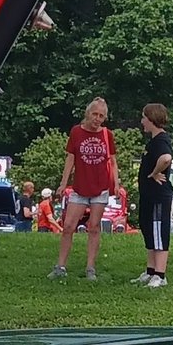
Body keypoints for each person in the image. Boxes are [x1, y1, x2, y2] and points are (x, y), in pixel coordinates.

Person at [51, 97, 118, 280]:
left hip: (100, 187)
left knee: (94, 226)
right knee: (68, 226)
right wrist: (63, 183)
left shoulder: (107, 135)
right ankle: (60, 266)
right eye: (95, 114)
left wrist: (116, 183)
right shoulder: (76, 132)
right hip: (80, 187)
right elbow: (70, 158)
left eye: (101, 116)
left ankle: (90, 268)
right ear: (88, 114)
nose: (97, 119)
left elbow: (112, 161)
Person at [133, 103, 173, 288]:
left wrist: (154, 173)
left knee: (158, 232)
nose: (142, 121)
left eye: (144, 117)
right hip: (148, 195)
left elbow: (166, 158)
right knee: (148, 229)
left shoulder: (161, 140)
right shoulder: (153, 141)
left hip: (159, 196)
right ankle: (150, 271)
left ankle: (160, 275)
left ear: (151, 119)